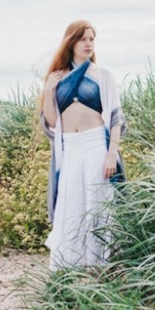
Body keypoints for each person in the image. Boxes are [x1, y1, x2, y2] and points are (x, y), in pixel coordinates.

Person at [38, 20, 128, 271]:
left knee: (98, 203)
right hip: (70, 149)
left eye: (92, 39)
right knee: (72, 204)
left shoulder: (103, 74)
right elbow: (53, 123)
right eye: (84, 39)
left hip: (95, 145)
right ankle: (70, 266)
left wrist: (111, 155)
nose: (89, 44)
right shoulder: (57, 77)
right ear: (71, 42)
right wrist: (48, 91)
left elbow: (115, 118)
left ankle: (101, 265)